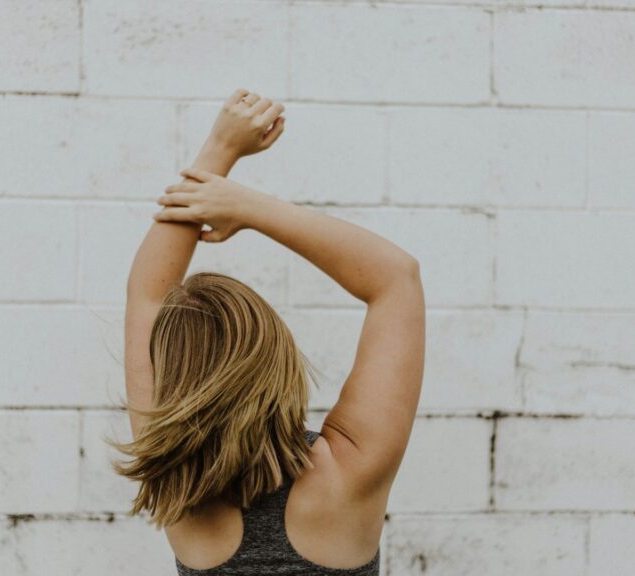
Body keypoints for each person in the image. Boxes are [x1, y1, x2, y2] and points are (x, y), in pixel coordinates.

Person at [111, 88, 425, 575]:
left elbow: (148, 295)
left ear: (172, 379)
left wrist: (220, 150)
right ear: (275, 361)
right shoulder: (350, 472)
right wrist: (245, 206)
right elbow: (395, 279)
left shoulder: (175, 481)